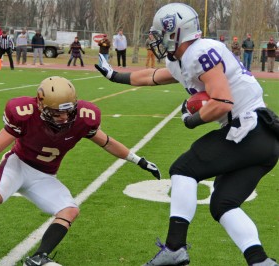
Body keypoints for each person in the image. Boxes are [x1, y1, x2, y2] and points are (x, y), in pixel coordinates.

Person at [95, 3, 279, 266]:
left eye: (159, 34)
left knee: (183, 169)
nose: (155, 40)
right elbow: (153, 76)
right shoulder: (183, 59)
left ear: (176, 32)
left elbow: (222, 102)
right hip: (264, 140)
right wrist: (114, 75)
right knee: (223, 204)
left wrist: (190, 120)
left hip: (248, 128)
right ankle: (260, 261)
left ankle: (174, 248)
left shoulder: (200, 51)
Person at [0, 76, 161, 266]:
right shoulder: (24, 113)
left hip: (45, 175)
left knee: (70, 210)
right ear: (41, 106)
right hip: (18, 165)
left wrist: (138, 160)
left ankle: (38, 258)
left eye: (68, 111)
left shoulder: (83, 118)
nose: (65, 117)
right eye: (57, 113)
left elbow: (107, 142)